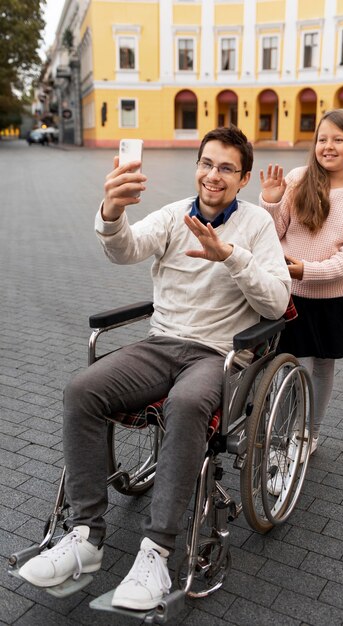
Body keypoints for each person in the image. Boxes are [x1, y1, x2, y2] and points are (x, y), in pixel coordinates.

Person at [19, 126, 291, 610]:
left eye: (227, 168)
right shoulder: (173, 215)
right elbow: (123, 249)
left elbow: (277, 301)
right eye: (207, 163)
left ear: (243, 178)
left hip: (217, 353)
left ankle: (156, 551)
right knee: (82, 389)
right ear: (197, 166)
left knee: (187, 404)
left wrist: (230, 256)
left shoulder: (256, 226)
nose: (213, 175)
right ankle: (84, 535)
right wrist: (112, 212)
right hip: (162, 343)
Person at [259, 109, 343, 494]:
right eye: (322, 139)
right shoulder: (297, 179)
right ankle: (279, 429)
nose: (328, 146)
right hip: (288, 292)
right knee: (282, 362)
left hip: (331, 296)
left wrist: (305, 270)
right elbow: (274, 231)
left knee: (322, 365)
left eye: (338, 139)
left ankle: (307, 435)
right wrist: (269, 201)